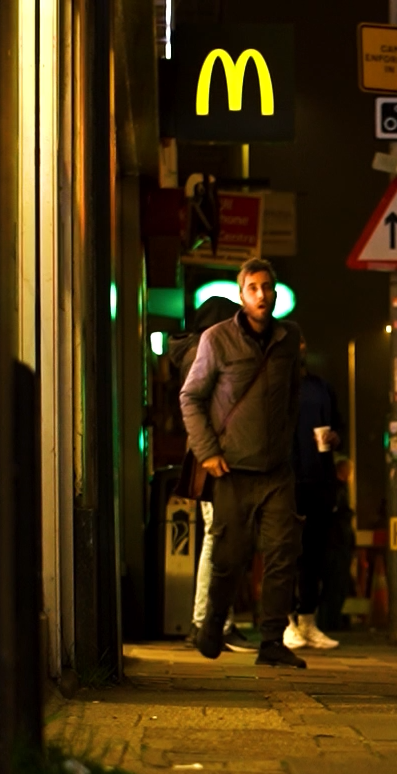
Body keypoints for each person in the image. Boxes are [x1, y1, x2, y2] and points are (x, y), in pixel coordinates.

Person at [180, 258, 310, 668]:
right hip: (232, 471)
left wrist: (285, 444)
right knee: (228, 557)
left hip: (276, 471)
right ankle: (211, 627)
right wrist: (208, 452)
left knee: (281, 554)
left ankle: (271, 641)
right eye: (253, 287)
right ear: (241, 294)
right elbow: (191, 397)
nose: (262, 295)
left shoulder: (289, 339)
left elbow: (292, 395)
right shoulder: (218, 339)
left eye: (268, 287)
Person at [173, 295, 256, 652]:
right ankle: (210, 623)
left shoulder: (195, 350)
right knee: (219, 538)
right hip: (216, 457)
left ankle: (213, 621)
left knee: (220, 537)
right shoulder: (204, 352)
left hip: (211, 455)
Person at [284, 340, 345, 650]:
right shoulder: (275, 387)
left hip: (319, 482)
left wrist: (334, 437)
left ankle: (308, 620)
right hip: (286, 483)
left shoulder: (321, 387)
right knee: (285, 555)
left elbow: (338, 426)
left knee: (314, 556)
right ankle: (287, 622)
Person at [315, 456, 357, 631]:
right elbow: (337, 516)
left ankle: (331, 620)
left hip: (335, 542)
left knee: (335, 585)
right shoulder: (336, 490)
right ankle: (331, 621)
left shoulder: (334, 488)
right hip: (336, 543)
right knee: (335, 584)